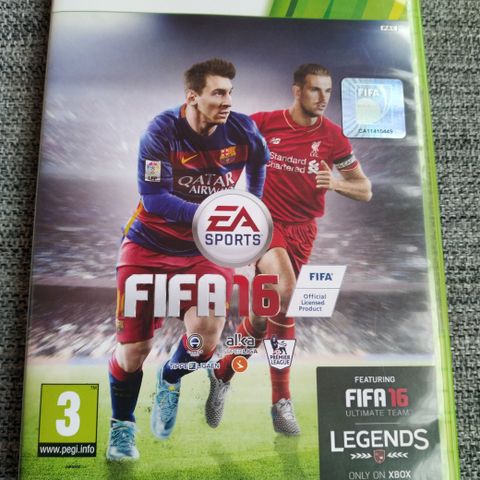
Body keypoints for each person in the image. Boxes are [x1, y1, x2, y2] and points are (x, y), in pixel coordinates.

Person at [106, 58, 269, 461]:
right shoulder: (161, 131)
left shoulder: (243, 130)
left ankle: (170, 379)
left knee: (205, 339)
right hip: (148, 246)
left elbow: (259, 164)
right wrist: (213, 214)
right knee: (134, 352)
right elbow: (154, 199)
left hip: (204, 249)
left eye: (230, 92)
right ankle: (122, 428)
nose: (227, 101)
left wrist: (250, 209)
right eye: (218, 93)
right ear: (192, 96)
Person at [206, 63, 372, 435]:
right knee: (287, 291)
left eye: (328, 91)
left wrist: (337, 184)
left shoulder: (333, 137)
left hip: (303, 233)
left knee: (262, 319)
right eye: (315, 89)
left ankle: (221, 372)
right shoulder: (264, 123)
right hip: (264, 225)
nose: (323, 98)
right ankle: (281, 402)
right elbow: (220, 141)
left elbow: (365, 189)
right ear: (297, 91)